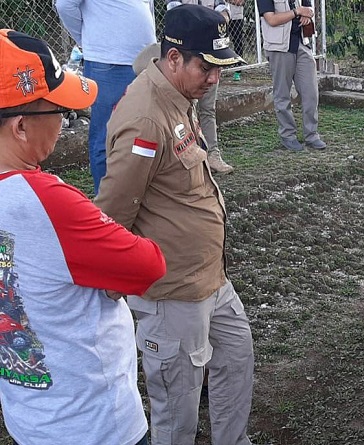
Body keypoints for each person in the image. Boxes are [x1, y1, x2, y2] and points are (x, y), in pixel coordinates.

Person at [93, 5, 254, 445]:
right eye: (206, 67)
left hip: (210, 278)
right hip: (173, 292)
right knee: (178, 411)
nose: (214, 79)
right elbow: (114, 209)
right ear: (174, 58)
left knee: (236, 360)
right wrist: (111, 286)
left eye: (220, 68)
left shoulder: (178, 95)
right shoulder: (146, 119)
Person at [0, 29, 166, 444]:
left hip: (29, 417)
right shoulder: (45, 201)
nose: (63, 123)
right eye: (60, 112)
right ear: (21, 126)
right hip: (92, 423)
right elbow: (146, 265)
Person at [55, 0, 156, 195]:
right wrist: (89, 42)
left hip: (142, 60)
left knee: (143, 129)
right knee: (106, 135)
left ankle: (133, 197)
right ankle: (107, 203)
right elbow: (65, 5)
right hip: (109, 62)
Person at [173, 0, 237, 175]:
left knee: (208, 109)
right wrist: (208, 23)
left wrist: (216, 20)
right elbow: (175, 14)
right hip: (188, 57)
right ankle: (188, 157)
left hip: (213, 54)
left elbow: (224, 11)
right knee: (184, 110)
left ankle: (212, 155)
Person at [257, 0, 327, 151]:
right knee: (282, 94)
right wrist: (297, 12)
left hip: (301, 43)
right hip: (279, 47)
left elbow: (308, 7)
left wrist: (308, 14)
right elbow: (271, 19)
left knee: (311, 92)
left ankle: (312, 135)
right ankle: (288, 135)